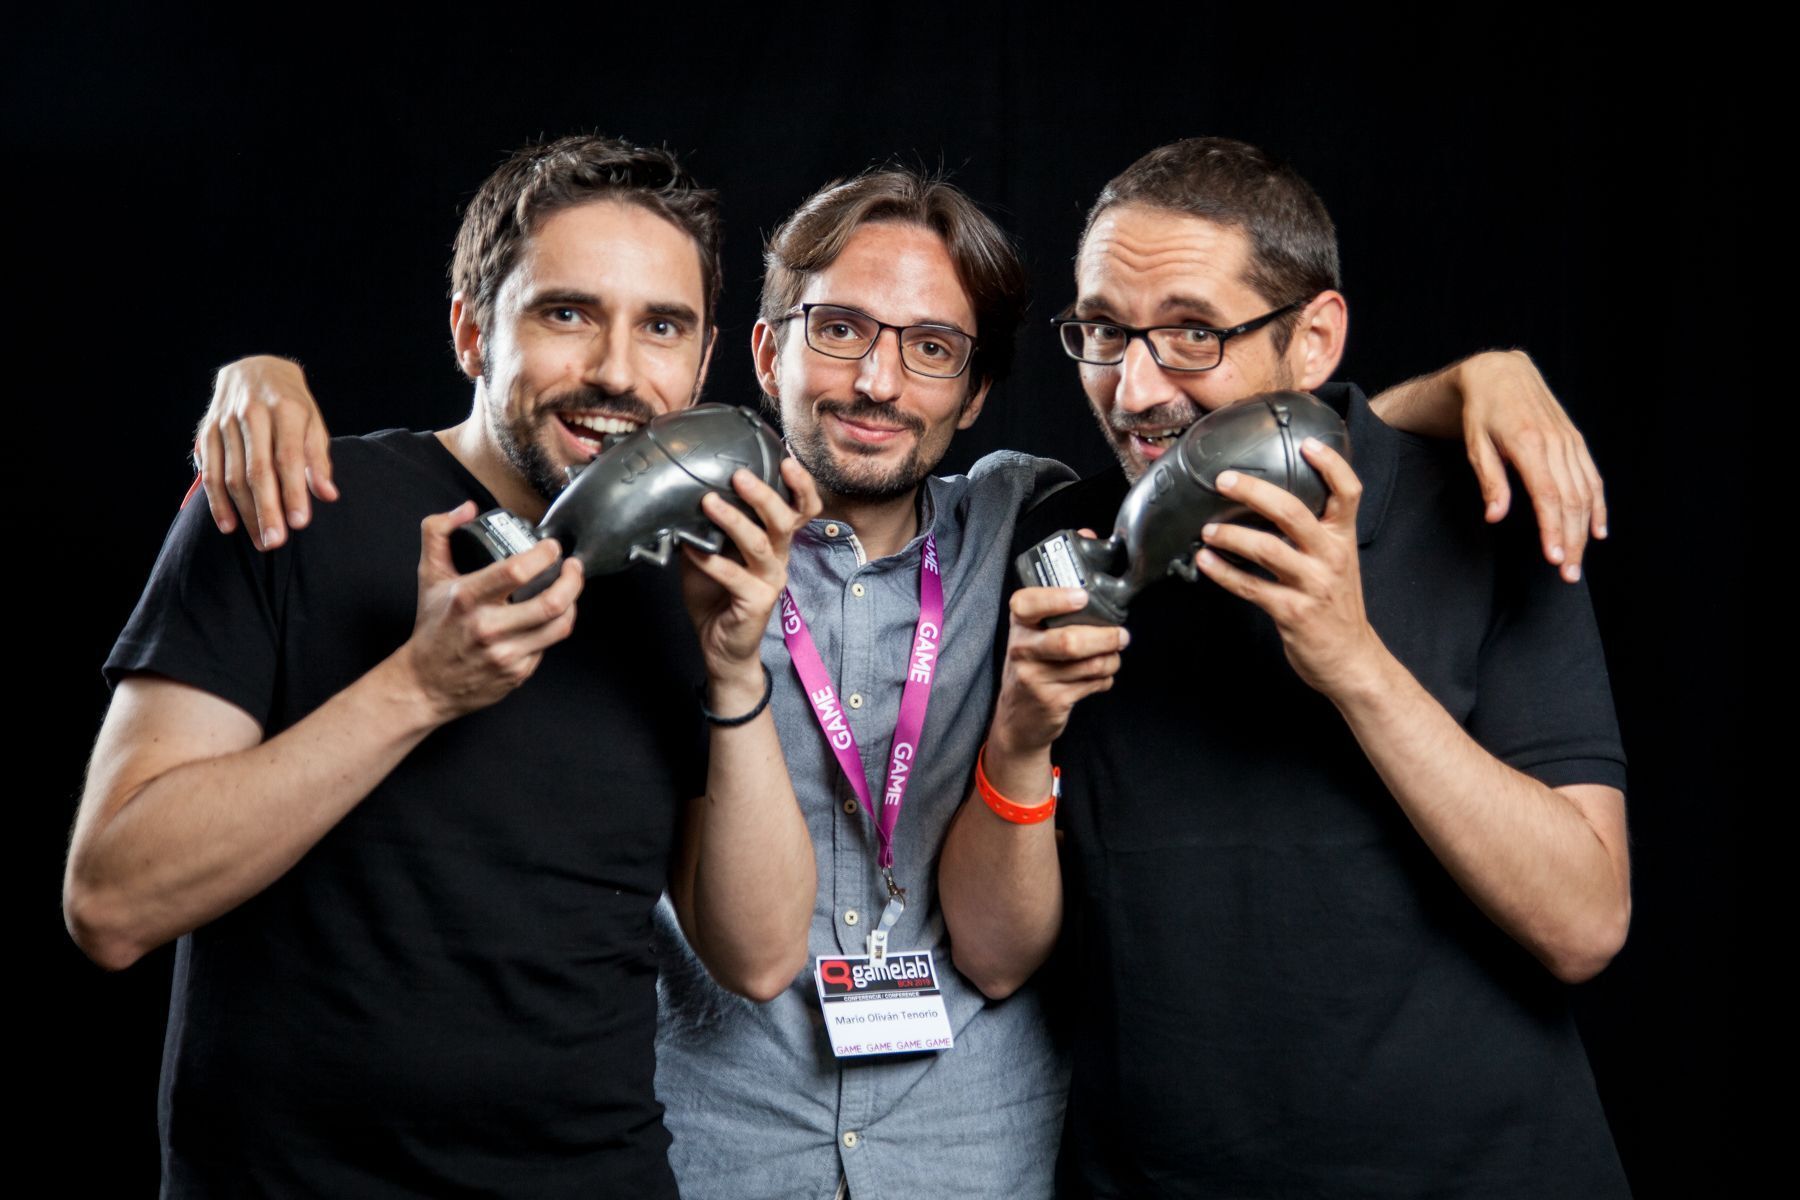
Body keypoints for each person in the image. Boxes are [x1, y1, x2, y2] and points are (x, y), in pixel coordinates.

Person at [186, 161, 1609, 1200]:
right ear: (763, 349)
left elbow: (1238, 442)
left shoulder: (1043, 532)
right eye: (840, 331)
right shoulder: (646, 542)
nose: (878, 383)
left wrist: (1475, 379)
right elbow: (496, 447)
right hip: (716, 1150)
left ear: (977, 394)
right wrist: (256, 375)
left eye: (931, 349)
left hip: (980, 1154)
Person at [62, 134, 823, 1197]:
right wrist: (417, 689)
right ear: (472, 331)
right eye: (567, 313)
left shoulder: (686, 576)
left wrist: (736, 671)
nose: (617, 370)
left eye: (662, 326)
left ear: (699, 365)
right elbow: (111, 902)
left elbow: (760, 954)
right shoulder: (291, 505)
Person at [943, 137, 1630, 1197]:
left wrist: (1355, 665)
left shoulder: (1482, 512)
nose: (1132, 388)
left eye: (1191, 333)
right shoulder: (1061, 546)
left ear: (1313, 339)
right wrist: (1020, 735)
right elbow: (993, 959)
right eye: (1103, 331)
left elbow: (1585, 924)